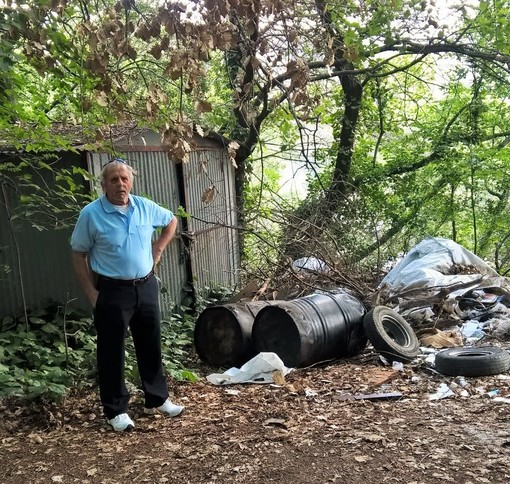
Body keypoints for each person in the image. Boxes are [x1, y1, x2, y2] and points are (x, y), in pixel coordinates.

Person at [70, 157, 184, 432]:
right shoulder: (91, 214)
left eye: (124, 178)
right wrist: (91, 292)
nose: (120, 184)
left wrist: (157, 250)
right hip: (111, 290)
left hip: (145, 286)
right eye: (114, 179)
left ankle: (157, 398)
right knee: (111, 351)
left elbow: (171, 220)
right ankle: (116, 410)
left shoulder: (144, 206)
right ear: (104, 185)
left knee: (150, 343)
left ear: (131, 181)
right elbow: (78, 252)